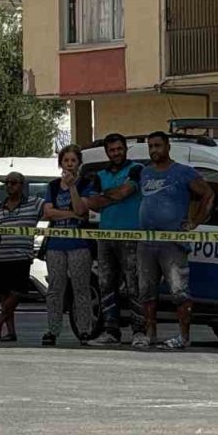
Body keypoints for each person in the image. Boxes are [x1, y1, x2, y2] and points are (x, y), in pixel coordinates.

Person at [137, 132, 214, 350]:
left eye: (158, 145)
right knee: (146, 290)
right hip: (146, 241)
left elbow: (208, 194)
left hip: (172, 242)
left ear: (168, 147)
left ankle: (183, 336)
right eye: (150, 146)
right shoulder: (145, 172)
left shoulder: (183, 172)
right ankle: (150, 334)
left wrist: (194, 222)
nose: (154, 150)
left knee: (179, 290)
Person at [85, 134, 148, 347]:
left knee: (134, 284)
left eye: (119, 149)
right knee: (105, 284)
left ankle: (139, 331)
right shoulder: (99, 174)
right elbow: (91, 203)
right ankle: (111, 330)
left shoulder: (136, 169)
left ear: (125, 149)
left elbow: (126, 192)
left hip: (131, 236)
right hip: (105, 237)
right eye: (112, 150)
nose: (116, 153)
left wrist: (105, 197)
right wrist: (110, 196)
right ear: (107, 152)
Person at [41, 145, 95, 347]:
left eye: (73, 161)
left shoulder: (85, 184)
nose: (70, 164)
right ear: (60, 163)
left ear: (79, 164)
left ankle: (84, 330)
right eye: (66, 161)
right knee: (55, 288)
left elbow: (82, 210)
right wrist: (70, 214)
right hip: (56, 244)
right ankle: (53, 330)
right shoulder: (53, 186)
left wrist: (72, 187)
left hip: (79, 243)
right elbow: (48, 212)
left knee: (81, 288)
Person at [0, 172, 43, 344]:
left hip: (21, 255)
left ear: (22, 185)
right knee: (4, 295)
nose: (9, 186)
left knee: (18, 292)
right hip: (1, 256)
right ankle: (10, 331)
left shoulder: (34, 203)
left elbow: (49, 210)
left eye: (14, 183)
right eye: (7, 183)